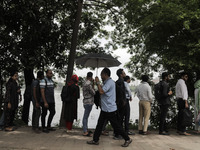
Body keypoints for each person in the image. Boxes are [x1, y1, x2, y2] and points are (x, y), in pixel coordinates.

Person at [87, 68, 132, 147]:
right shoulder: (107, 82)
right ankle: (95, 139)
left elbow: (101, 92)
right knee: (99, 125)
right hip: (105, 108)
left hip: (109, 109)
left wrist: (98, 82)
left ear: (105, 74)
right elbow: (102, 90)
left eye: (101, 74)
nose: (101, 75)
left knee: (116, 126)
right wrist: (97, 84)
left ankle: (127, 139)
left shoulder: (110, 82)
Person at [114, 68, 127, 139]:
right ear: (121, 75)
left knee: (118, 118)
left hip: (118, 102)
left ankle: (117, 133)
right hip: (121, 103)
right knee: (120, 118)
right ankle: (118, 134)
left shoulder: (117, 82)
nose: (125, 74)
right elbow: (121, 93)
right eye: (124, 73)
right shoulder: (121, 82)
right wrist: (123, 101)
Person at [82, 72, 95, 136]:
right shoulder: (89, 84)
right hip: (89, 101)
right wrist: (94, 84)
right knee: (85, 117)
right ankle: (85, 131)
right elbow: (93, 92)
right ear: (91, 77)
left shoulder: (84, 82)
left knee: (86, 116)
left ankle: (85, 129)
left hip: (85, 101)